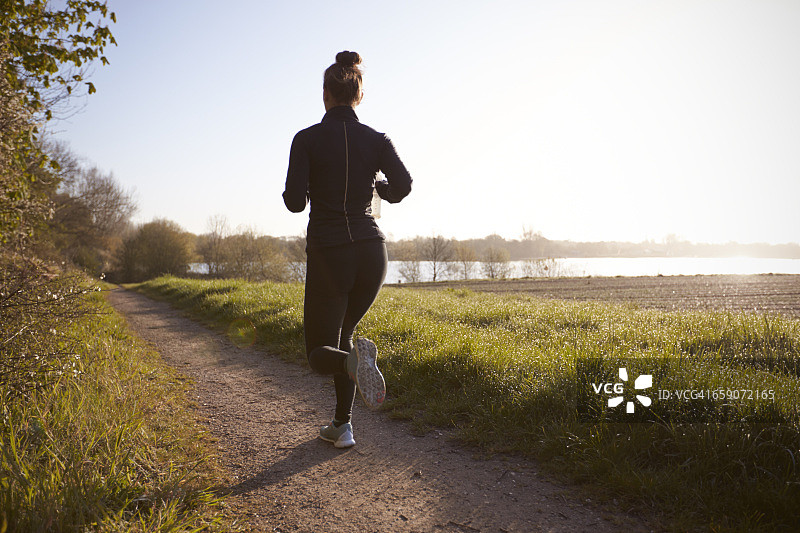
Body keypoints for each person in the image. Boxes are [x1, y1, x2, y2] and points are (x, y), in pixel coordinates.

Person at [283, 51, 412, 448]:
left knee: (320, 353)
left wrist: (305, 187)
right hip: (373, 254)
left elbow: (293, 203)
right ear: (359, 95)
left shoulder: (305, 139)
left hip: (330, 253)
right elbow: (403, 185)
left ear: (325, 94)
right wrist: (381, 191)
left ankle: (353, 364)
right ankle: (342, 425)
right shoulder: (376, 140)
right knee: (344, 333)